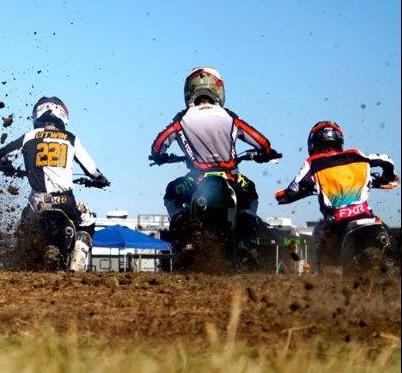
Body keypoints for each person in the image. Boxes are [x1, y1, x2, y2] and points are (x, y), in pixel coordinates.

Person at [149, 66, 277, 248]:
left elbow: (158, 145)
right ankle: (245, 235)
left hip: (197, 179)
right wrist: (265, 153)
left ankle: (181, 222)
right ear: (219, 90)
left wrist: (160, 157)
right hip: (231, 179)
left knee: (171, 193)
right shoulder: (230, 117)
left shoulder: (181, 119)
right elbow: (262, 142)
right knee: (251, 194)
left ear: (188, 91)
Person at [0, 96, 110, 271]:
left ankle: (23, 258)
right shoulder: (70, 138)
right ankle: (78, 254)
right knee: (88, 220)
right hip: (66, 201)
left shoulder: (28, 137)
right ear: (63, 115)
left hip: (38, 203)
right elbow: (91, 169)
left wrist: (7, 167)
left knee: (23, 227)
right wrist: (100, 179)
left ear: (37, 114)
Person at [275, 121, 397, 267]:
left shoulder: (313, 163)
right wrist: (388, 177)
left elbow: (294, 188)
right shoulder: (356, 154)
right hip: (366, 217)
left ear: (313, 142)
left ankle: (329, 285)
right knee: (388, 237)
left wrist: (288, 194)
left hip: (337, 223)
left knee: (323, 256)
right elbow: (386, 159)